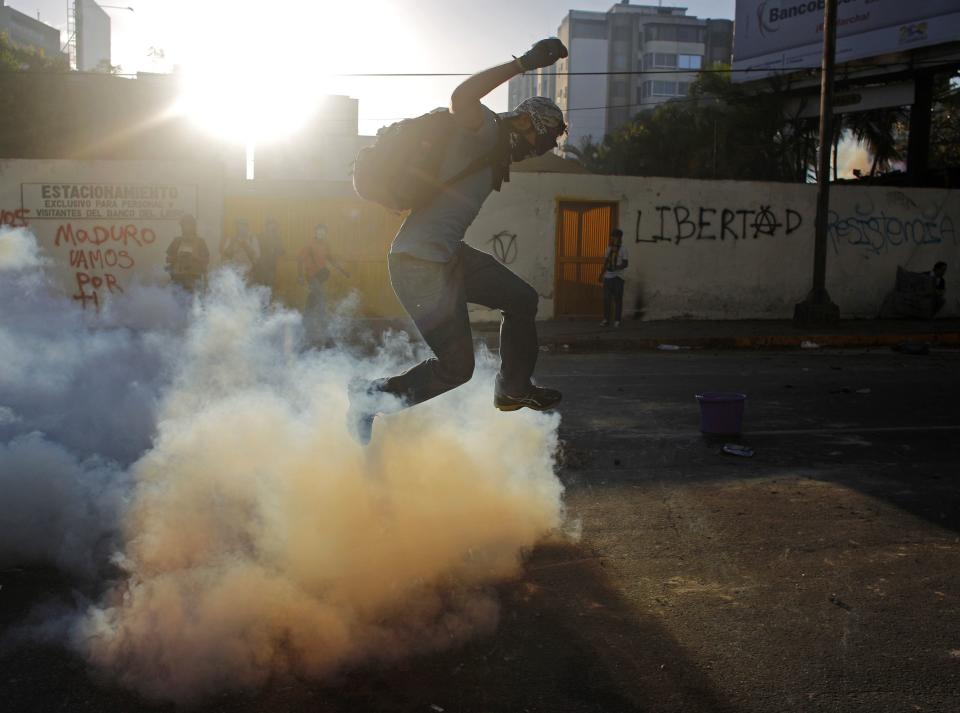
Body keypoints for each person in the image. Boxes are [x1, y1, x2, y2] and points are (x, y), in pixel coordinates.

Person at [347, 38, 569, 444]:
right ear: (526, 122)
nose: (541, 150)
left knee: (522, 299)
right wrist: (524, 63)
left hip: (447, 257)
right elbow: (461, 96)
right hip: (419, 265)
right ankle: (369, 396)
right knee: (456, 368)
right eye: (544, 139)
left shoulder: (498, 152)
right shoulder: (487, 131)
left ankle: (513, 388)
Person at [298, 223, 349, 343]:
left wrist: (343, 271)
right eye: (319, 231)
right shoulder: (309, 245)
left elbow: (331, 259)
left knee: (312, 298)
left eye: (323, 232)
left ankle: (305, 321)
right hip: (311, 276)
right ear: (315, 232)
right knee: (321, 297)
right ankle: (324, 327)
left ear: (326, 234)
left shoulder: (326, 245)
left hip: (320, 276)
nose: (321, 233)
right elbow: (299, 260)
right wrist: (299, 276)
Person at [165, 214, 210, 292]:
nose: (186, 227)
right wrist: (177, 258)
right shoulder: (177, 241)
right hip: (178, 278)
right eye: (184, 224)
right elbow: (167, 259)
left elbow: (207, 260)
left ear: (193, 226)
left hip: (194, 279)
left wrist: (195, 257)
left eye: (189, 224)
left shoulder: (200, 242)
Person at [600, 228, 629, 327]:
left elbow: (625, 263)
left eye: (615, 237)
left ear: (620, 238)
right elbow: (605, 263)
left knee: (618, 299)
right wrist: (601, 275)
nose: (613, 239)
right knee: (606, 299)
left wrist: (617, 267)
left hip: (618, 277)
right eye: (612, 237)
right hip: (608, 277)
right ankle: (606, 319)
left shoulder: (623, 249)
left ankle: (617, 320)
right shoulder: (608, 249)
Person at [253, 217, 284, 290]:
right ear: (266, 226)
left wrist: (279, 251)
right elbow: (255, 250)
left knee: (270, 286)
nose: (272, 226)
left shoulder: (277, 238)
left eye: (274, 225)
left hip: (272, 266)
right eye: (270, 224)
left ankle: (268, 300)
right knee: (260, 285)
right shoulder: (260, 236)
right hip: (261, 266)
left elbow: (280, 250)